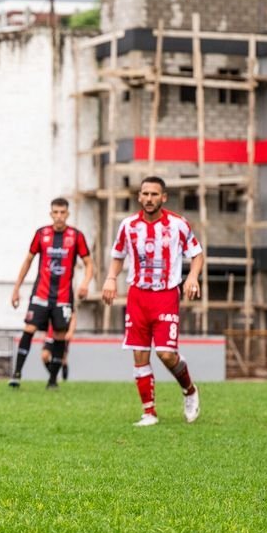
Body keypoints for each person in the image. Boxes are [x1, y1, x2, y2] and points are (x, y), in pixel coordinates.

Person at [101, 176, 204, 426]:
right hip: (137, 295)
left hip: (166, 295)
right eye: (145, 194)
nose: (149, 199)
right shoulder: (128, 225)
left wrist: (192, 277)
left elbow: (197, 254)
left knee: (166, 355)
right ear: (139, 196)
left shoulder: (178, 224)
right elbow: (118, 255)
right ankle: (149, 413)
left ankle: (189, 390)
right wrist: (111, 278)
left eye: (154, 194)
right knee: (139, 354)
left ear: (163, 197)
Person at [9, 197, 93, 389]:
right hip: (41, 293)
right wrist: (16, 288)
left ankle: (53, 380)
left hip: (63, 297)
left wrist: (85, 283)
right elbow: (28, 261)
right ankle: (16, 374)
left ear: (67, 214)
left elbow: (89, 263)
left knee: (60, 335)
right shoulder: (41, 234)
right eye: (55, 212)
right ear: (51, 214)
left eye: (62, 212)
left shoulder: (76, 236)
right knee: (29, 329)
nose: (59, 216)